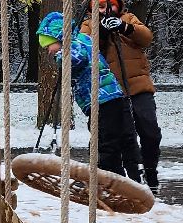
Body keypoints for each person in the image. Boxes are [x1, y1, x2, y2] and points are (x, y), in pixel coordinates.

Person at [36, 10, 141, 179]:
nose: (48, 51)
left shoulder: (76, 43)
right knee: (113, 139)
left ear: (59, 36)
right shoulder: (81, 41)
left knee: (106, 143)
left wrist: (63, 56)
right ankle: (127, 176)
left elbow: (77, 59)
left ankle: (111, 180)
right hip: (106, 100)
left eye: (49, 45)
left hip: (104, 100)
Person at [81, 0, 163, 194]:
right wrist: (100, 29)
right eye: (99, 6)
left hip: (137, 87)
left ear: (118, 5)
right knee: (112, 136)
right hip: (108, 94)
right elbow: (83, 47)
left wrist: (124, 28)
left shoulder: (128, 19)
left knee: (150, 131)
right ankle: (116, 178)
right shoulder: (88, 25)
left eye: (110, 5)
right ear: (91, 8)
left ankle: (150, 171)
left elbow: (146, 37)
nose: (105, 10)